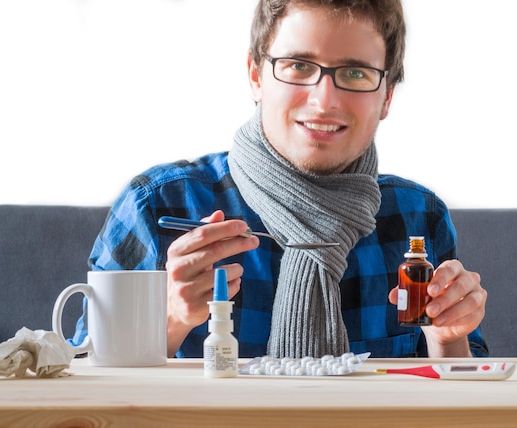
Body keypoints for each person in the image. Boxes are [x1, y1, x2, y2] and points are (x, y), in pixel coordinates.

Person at [74, 0, 488, 359]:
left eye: (356, 74)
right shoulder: (159, 204)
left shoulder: (418, 217)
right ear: (256, 75)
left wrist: (448, 339)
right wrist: (166, 321)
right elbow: (78, 380)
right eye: (298, 66)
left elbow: (465, 398)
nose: (324, 100)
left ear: (387, 97)